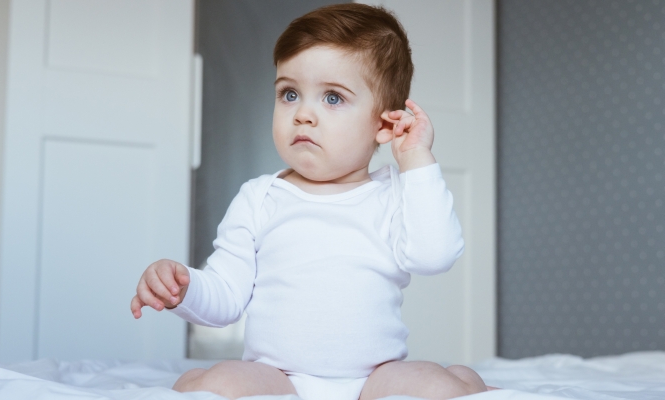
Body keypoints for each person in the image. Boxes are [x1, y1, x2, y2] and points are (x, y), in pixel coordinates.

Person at [130, 4, 489, 400]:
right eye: (289, 93)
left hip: (375, 379)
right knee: (216, 384)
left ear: (385, 124)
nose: (303, 114)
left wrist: (417, 160)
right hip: (277, 377)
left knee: (434, 386)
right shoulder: (260, 198)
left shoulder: (395, 196)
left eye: (332, 98)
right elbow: (226, 295)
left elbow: (434, 256)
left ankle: (463, 380)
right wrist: (183, 287)